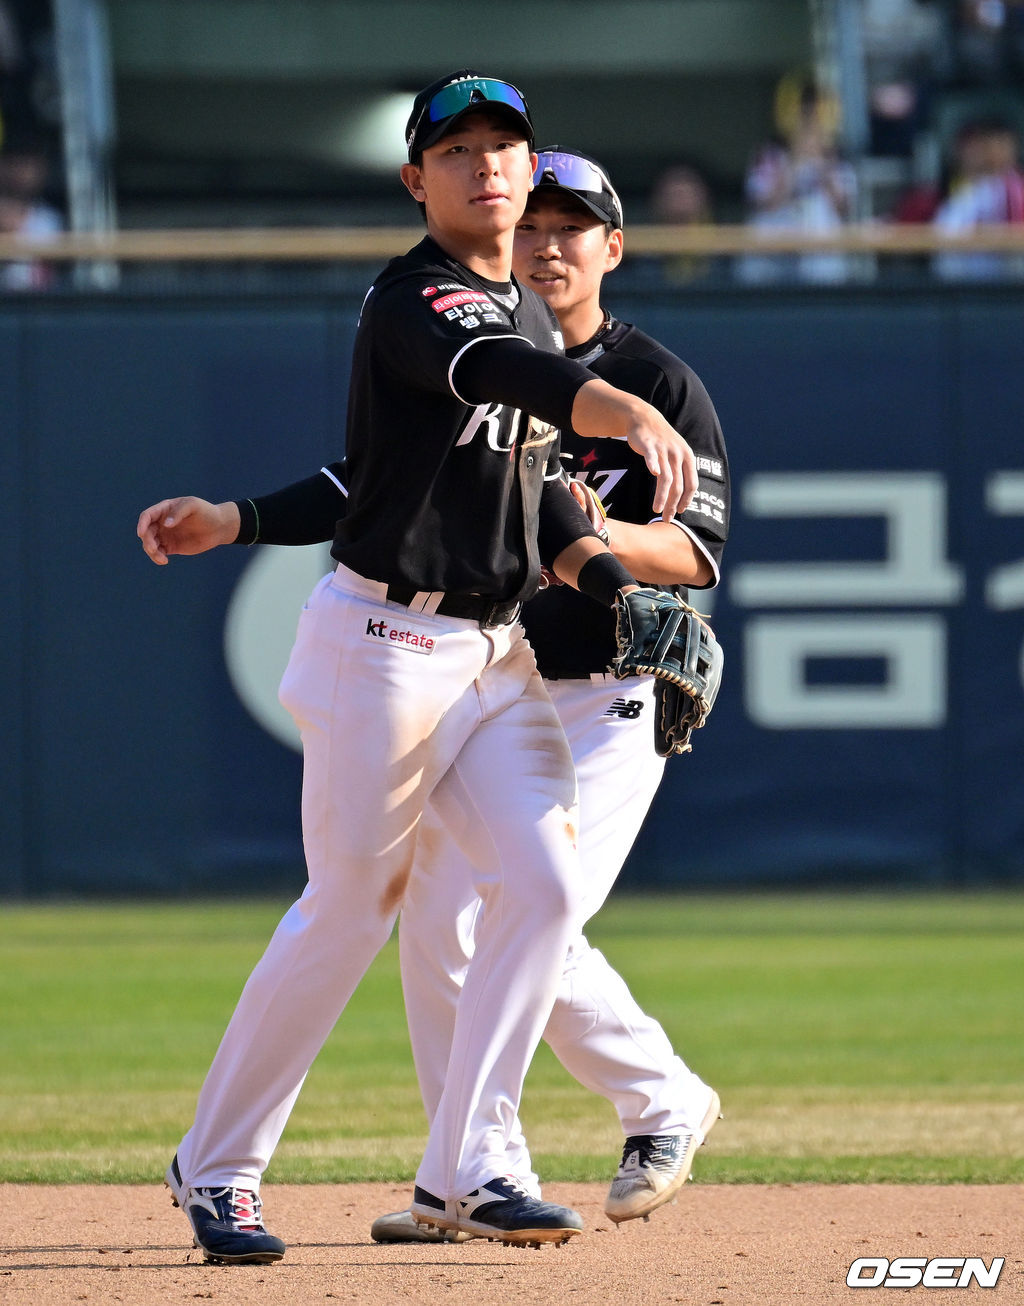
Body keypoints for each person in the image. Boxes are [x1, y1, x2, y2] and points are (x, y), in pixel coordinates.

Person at [137, 70, 697, 1263]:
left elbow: (524, 495)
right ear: (415, 179)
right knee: (351, 908)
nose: (486, 164)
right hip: (383, 647)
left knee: (542, 891)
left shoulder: (528, 312)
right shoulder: (418, 299)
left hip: (496, 655)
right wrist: (617, 407)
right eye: (457, 149)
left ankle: (469, 1166)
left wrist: (614, 587)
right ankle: (216, 1164)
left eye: (504, 146)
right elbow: (507, 378)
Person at [368, 148, 729, 1245]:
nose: (547, 245)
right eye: (533, 223)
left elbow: (696, 550)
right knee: (437, 920)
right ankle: (467, 1172)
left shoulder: (657, 383)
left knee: (538, 908)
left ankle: (660, 1101)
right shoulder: (471, 351)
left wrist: (590, 534)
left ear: (612, 248)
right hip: (490, 677)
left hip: (610, 685)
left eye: (574, 228)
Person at [736, 75, 858, 286]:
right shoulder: (767, 156)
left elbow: (844, 208)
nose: (809, 119)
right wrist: (794, 161)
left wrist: (823, 164)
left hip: (821, 263)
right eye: (803, 111)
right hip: (771, 261)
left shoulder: (838, 159)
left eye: (814, 111)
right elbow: (765, 203)